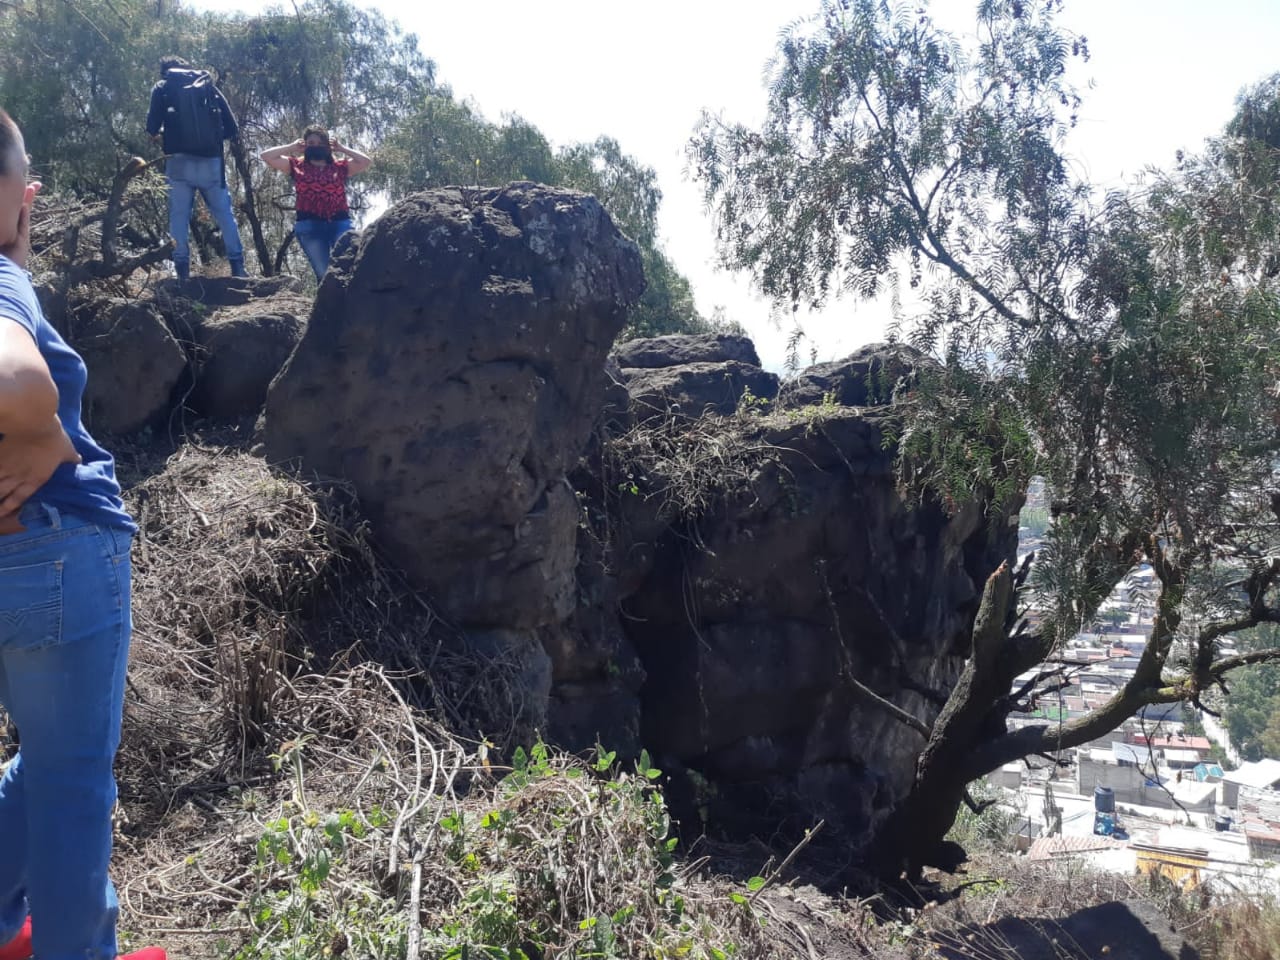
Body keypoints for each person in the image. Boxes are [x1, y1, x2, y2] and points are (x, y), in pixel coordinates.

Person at [0, 109, 163, 960]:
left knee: (48, 758)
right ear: (17, 198)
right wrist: (41, 429)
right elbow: (16, 378)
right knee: (71, 783)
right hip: (53, 550)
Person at [145, 55, 247, 280]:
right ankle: (238, 269)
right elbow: (231, 128)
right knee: (224, 215)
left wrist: (166, 136)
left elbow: (151, 127)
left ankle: (182, 273)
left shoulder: (162, 88)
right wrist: (211, 139)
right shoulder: (206, 85)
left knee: (179, 216)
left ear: (164, 72)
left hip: (178, 162)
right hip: (211, 162)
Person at [260, 126, 371, 279]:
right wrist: (291, 147)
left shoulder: (340, 167)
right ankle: (329, 302)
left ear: (327, 145)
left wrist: (342, 148)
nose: (316, 146)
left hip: (339, 222)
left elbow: (365, 161)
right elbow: (266, 156)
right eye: (311, 142)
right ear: (305, 145)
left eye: (320, 142)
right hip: (309, 226)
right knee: (324, 274)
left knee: (349, 266)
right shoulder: (296, 166)